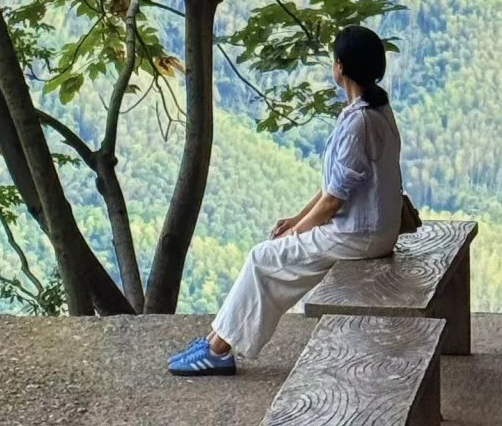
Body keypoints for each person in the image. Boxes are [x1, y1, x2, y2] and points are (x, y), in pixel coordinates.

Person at [168, 24, 403, 375]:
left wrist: (298, 232)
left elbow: (334, 201)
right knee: (271, 255)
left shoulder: (359, 124)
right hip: (373, 228)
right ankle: (216, 337)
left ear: (340, 67)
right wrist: (297, 220)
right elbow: (334, 187)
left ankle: (218, 350)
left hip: (359, 235)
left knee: (263, 257)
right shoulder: (375, 110)